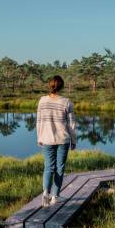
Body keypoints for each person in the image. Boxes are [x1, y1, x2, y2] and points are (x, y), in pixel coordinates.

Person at [36, 75, 77, 207]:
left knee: (48, 167)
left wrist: (39, 137)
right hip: (62, 139)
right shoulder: (67, 102)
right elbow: (71, 124)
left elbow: (39, 121)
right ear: (62, 86)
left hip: (47, 139)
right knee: (60, 168)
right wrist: (74, 140)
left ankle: (45, 194)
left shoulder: (42, 101)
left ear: (50, 86)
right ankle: (55, 197)